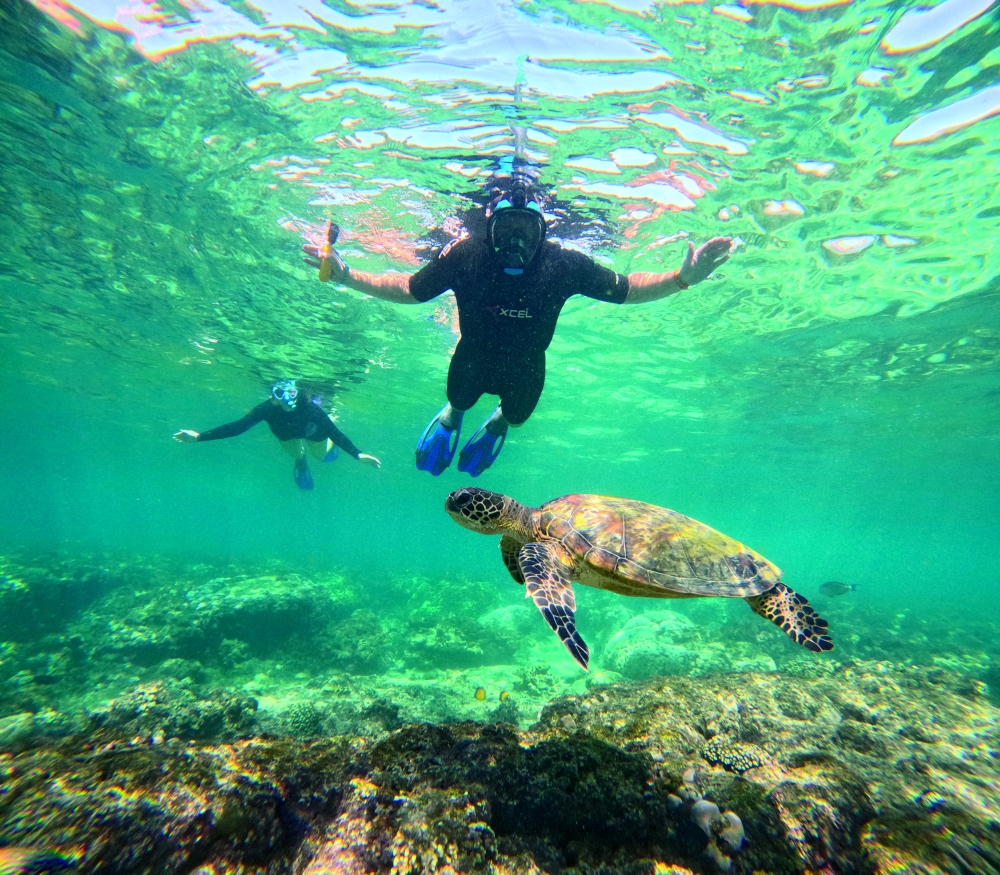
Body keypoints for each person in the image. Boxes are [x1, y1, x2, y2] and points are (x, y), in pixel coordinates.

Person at [303, 180, 732, 477]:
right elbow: (410, 289)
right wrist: (346, 276)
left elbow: (626, 289)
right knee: (458, 397)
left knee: (518, 415)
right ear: (489, 229)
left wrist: (682, 280)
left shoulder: (564, 264)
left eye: (526, 231)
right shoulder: (466, 256)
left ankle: (495, 424)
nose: (516, 242)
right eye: (506, 230)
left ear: (542, 232)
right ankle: (452, 417)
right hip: (473, 354)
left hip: (528, 364)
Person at [173, 379, 381, 490]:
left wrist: (357, 454)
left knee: (322, 456)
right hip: (285, 433)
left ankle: (330, 426)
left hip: (314, 430)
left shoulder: (310, 408)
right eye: (280, 393)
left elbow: (336, 433)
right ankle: (301, 463)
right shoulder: (267, 409)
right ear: (272, 396)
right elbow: (238, 427)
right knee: (297, 454)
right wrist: (199, 437)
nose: (288, 398)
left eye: (292, 392)